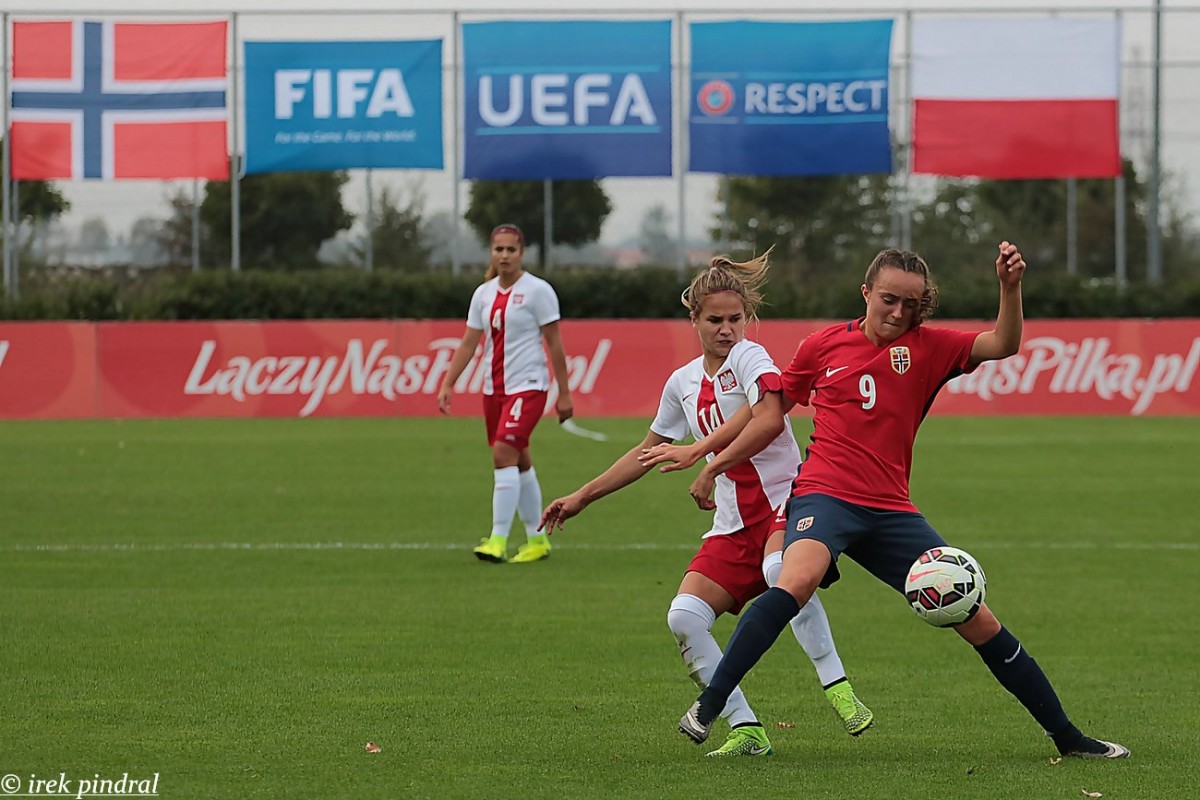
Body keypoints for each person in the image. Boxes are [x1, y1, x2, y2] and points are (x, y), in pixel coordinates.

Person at [669, 242, 1130, 760]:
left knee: (977, 617)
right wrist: (710, 456)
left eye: (911, 303)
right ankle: (711, 706)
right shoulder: (821, 346)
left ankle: (1068, 738)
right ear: (865, 292)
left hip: (891, 511)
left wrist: (1009, 286)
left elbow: (1002, 342)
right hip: (825, 492)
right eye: (889, 299)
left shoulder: (930, 347)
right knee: (794, 579)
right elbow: (765, 412)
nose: (898, 312)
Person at [539, 252, 874, 758]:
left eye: (735, 318)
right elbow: (648, 451)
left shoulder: (750, 357)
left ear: (747, 319)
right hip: (733, 520)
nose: (726, 329)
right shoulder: (681, 383)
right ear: (693, 319)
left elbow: (766, 415)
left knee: (781, 568)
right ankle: (746, 729)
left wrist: (705, 458)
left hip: (789, 499)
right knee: (685, 618)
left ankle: (838, 687)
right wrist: (582, 495)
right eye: (714, 320)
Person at [437, 223, 573, 564]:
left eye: (511, 249)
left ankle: (497, 539)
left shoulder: (539, 291)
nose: (505, 255)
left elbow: (555, 343)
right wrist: (449, 383)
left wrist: (564, 394)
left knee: (502, 454)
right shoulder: (483, 294)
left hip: (528, 387)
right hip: (493, 390)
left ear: (521, 252)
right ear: (491, 253)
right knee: (518, 459)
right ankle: (537, 540)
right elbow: (470, 341)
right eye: (499, 249)